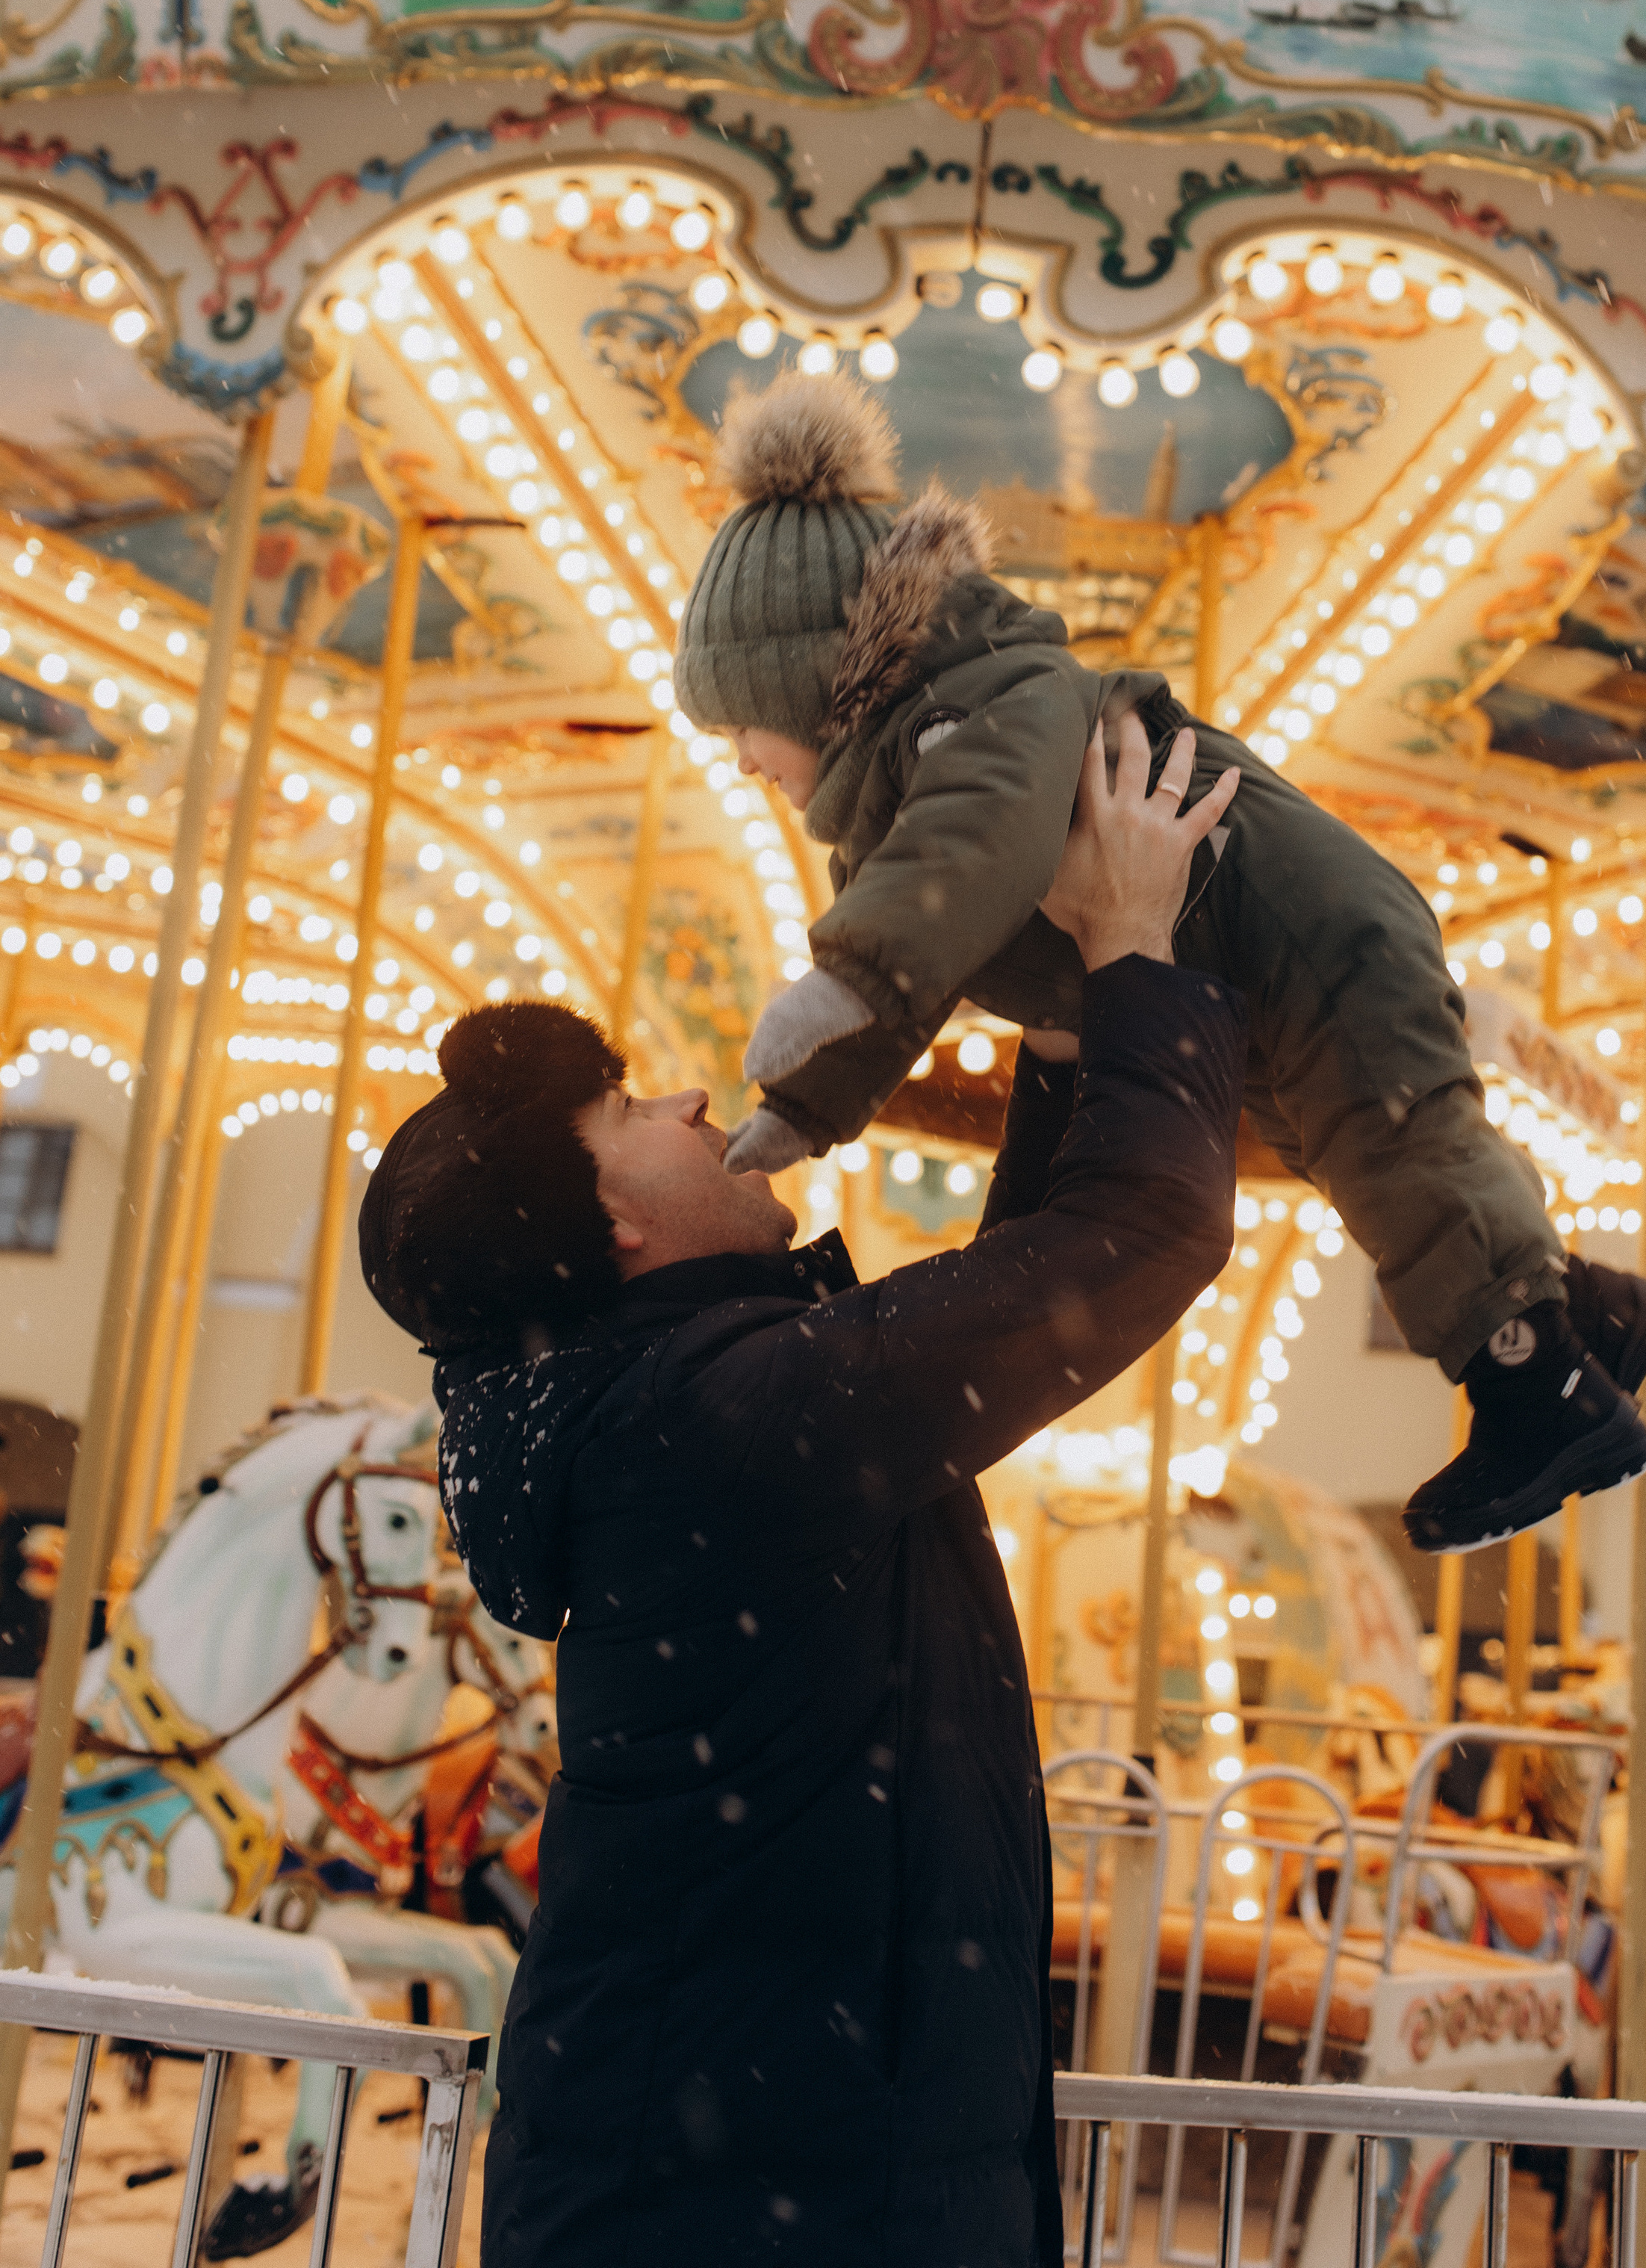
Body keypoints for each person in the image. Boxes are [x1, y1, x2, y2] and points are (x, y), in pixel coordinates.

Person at [358, 713, 1244, 2267]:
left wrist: (1054, 1024)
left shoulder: (690, 1410)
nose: (693, 1105)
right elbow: (1135, 1240)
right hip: (766, 2188)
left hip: (756, 2164)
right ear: (611, 1228)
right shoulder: (718, 1421)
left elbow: (1009, 1293)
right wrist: (1129, 944)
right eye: (635, 1114)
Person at [672, 368, 1646, 1555]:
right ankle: (1595, 1313)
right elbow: (924, 981)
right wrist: (802, 1109)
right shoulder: (901, 812)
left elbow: (963, 864)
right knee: (1354, 1160)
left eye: (743, 725)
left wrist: (841, 985)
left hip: (1306, 937)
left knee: (1390, 1144)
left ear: (814, 683)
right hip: (1243, 984)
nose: (741, 760)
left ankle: (1540, 1396)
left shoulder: (993, 709)